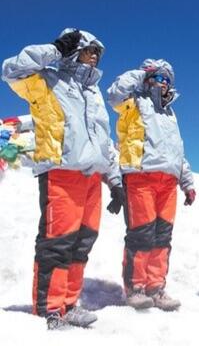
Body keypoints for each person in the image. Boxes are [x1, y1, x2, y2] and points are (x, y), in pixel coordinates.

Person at [1, 29, 124, 330]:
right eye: (88, 49)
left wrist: (116, 181)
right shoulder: (47, 81)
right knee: (57, 242)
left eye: (98, 50)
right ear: (73, 49)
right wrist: (55, 50)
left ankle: (69, 304)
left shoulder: (94, 93)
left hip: (92, 177)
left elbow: (104, 142)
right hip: (61, 172)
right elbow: (10, 70)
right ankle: (49, 309)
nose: (95, 54)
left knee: (82, 243)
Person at [107, 59, 195, 311]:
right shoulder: (133, 102)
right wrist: (140, 73)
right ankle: (135, 288)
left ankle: (156, 288)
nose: (163, 82)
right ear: (146, 78)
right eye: (158, 77)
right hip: (140, 176)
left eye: (167, 79)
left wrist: (187, 181)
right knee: (141, 234)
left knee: (162, 238)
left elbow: (177, 150)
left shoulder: (170, 113)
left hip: (168, 183)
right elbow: (114, 94)